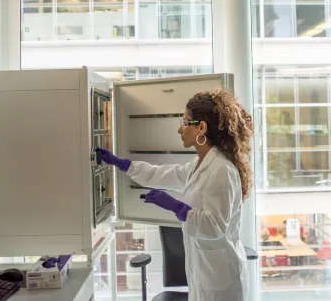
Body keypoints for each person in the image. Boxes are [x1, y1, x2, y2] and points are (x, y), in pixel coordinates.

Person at [97, 88, 253, 301]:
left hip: (221, 282)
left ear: (202, 128)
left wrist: (176, 207)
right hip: (204, 273)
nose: (180, 130)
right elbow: (160, 174)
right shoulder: (199, 165)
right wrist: (122, 164)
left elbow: (214, 226)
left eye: (185, 122)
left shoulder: (222, 171)